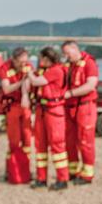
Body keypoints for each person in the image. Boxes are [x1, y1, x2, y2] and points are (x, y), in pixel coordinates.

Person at [28, 46, 70, 191]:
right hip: (42, 109)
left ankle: (62, 179)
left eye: (41, 58)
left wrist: (29, 74)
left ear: (47, 59)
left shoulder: (56, 70)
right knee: (40, 145)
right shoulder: (46, 70)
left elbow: (36, 82)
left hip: (53, 111)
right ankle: (41, 178)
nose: (39, 60)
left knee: (57, 145)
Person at [61, 40, 99, 185]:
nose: (66, 56)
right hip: (69, 107)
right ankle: (73, 171)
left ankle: (87, 174)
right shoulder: (68, 65)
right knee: (69, 141)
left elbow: (90, 85)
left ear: (75, 49)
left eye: (67, 53)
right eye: (64, 54)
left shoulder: (89, 63)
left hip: (85, 106)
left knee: (85, 140)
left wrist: (70, 93)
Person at [0, 47, 33, 184]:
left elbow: (28, 85)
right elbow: (6, 89)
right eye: (21, 62)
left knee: (27, 139)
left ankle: (25, 170)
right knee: (14, 140)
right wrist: (21, 82)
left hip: (24, 105)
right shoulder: (5, 68)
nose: (23, 65)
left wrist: (25, 93)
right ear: (14, 60)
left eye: (25, 62)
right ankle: (10, 170)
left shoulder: (28, 66)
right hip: (11, 105)